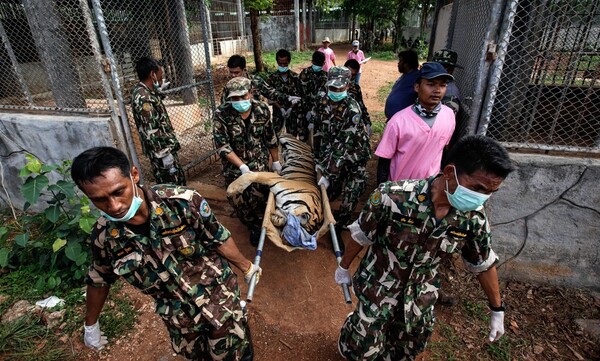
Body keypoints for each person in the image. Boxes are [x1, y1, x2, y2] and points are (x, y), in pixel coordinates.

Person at [335, 134, 515, 360]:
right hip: (378, 287)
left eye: (490, 192)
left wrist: (497, 310)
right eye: (477, 188)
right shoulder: (393, 196)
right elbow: (362, 234)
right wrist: (343, 268)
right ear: (450, 173)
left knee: (407, 350)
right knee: (361, 351)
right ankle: (353, 332)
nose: (481, 198)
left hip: (421, 296)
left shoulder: (473, 218)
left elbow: (483, 263)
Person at [72, 146, 259, 361]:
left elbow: (217, 238)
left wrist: (247, 267)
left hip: (219, 297)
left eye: (118, 192)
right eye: (99, 199)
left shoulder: (182, 203)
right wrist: (91, 324)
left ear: (134, 175)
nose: (114, 206)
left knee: (234, 351)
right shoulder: (105, 237)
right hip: (178, 317)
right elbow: (99, 278)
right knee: (197, 356)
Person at [213, 77, 281, 246]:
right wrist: (241, 166)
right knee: (239, 201)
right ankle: (253, 226)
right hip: (235, 167)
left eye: (243, 97)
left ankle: (263, 223)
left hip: (259, 163)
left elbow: (270, 138)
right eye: (235, 98)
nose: (239, 101)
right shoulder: (222, 114)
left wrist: (276, 162)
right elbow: (222, 145)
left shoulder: (262, 110)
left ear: (251, 93)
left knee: (262, 196)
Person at [376, 62, 456, 185]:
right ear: (417, 87)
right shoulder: (398, 121)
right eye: (431, 84)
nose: (437, 90)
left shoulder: (449, 116)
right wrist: (381, 191)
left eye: (442, 85)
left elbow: (443, 149)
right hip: (399, 189)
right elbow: (384, 161)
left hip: (428, 188)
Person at [315, 66, 371, 233]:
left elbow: (343, 146)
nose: (336, 90)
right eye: (332, 87)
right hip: (333, 150)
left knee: (351, 192)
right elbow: (321, 132)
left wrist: (328, 173)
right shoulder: (322, 101)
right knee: (329, 190)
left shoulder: (352, 109)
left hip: (355, 155)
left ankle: (341, 225)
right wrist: (319, 160)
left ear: (347, 85)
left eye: (340, 87)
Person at [131, 56, 186, 185]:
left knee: (175, 182)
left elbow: (154, 97)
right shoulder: (144, 98)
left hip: (163, 148)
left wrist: (160, 91)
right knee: (172, 186)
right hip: (161, 152)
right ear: (152, 74)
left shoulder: (144, 90)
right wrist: (164, 153)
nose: (162, 75)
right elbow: (151, 129)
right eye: (160, 73)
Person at [221, 54, 300, 107]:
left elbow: (270, 92)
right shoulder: (229, 86)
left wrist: (287, 98)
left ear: (244, 70)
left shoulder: (255, 81)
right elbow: (224, 105)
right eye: (231, 72)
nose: (233, 75)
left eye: (236, 72)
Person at [267, 49, 303, 138]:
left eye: (285, 64)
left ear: (289, 62)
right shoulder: (272, 78)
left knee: (292, 138)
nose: (282, 66)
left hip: (292, 114)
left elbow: (299, 96)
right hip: (278, 114)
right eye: (280, 63)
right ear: (277, 62)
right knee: (277, 137)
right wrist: (281, 108)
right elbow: (270, 97)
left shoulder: (295, 77)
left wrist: (290, 108)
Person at [299, 51, 328, 140]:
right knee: (303, 136)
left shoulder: (325, 76)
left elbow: (324, 97)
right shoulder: (305, 73)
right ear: (312, 62)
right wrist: (308, 110)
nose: (317, 65)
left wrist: (314, 112)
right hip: (304, 110)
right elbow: (301, 93)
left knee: (318, 137)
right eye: (316, 63)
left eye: (319, 64)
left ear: (323, 63)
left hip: (319, 112)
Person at [383, 49, 420, 120]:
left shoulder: (417, 78)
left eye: (400, 61)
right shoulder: (406, 76)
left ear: (406, 64)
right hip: (394, 119)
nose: (398, 64)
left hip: (404, 122)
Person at [344, 59, 372, 137]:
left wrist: (367, 123)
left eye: (354, 75)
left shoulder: (355, 88)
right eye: (349, 74)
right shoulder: (333, 86)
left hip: (352, 123)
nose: (351, 77)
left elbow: (361, 104)